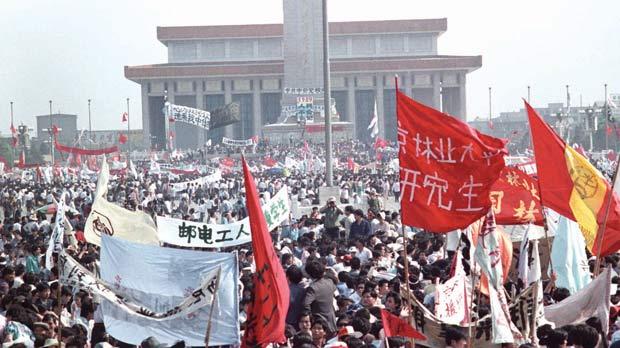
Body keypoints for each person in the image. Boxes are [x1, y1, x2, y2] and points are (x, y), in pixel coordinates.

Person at [303, 260, 337, 333]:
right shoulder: (329, 281)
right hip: (332, 320)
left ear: (310, 274)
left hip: (320, 323)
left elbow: (305, 304)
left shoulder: (313, 288)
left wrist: (310, 316)